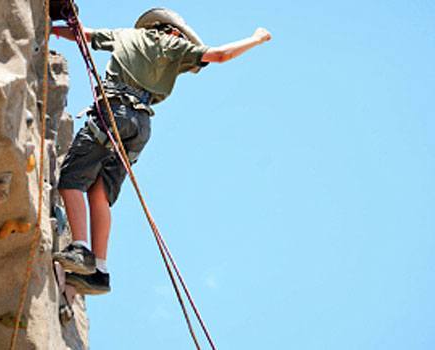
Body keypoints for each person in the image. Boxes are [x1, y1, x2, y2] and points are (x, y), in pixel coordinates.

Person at [52, 8, 272, 294]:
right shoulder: (178, 48)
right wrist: (256, 38)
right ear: (173, 31)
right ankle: (100, 271)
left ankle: (81, 249)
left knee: (71, 178)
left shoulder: (129, 35)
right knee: (100, 193)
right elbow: (220, 55)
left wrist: (54, 30)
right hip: (141, 126)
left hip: (115, 109)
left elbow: (85, 34)